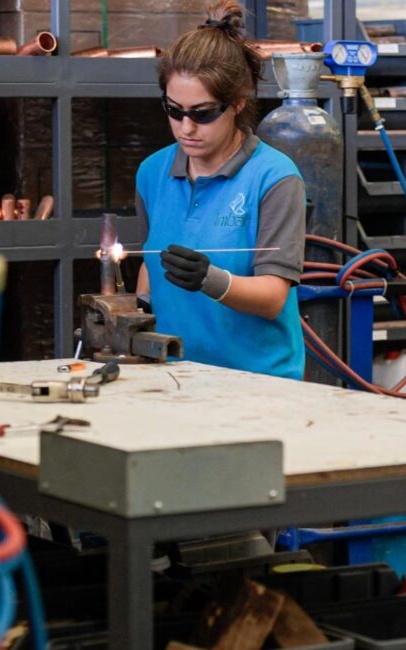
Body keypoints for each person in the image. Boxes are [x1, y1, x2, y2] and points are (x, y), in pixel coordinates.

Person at [135, 0, 306, 380]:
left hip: (257, 381)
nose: (186, 128)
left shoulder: (274, 178)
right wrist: (137, 309)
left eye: (203, 113)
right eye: (174, 110)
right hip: (175, 375)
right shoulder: (152, 173)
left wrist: (210, 280)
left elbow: (273, 297)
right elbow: (151, 260)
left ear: (238, 103)